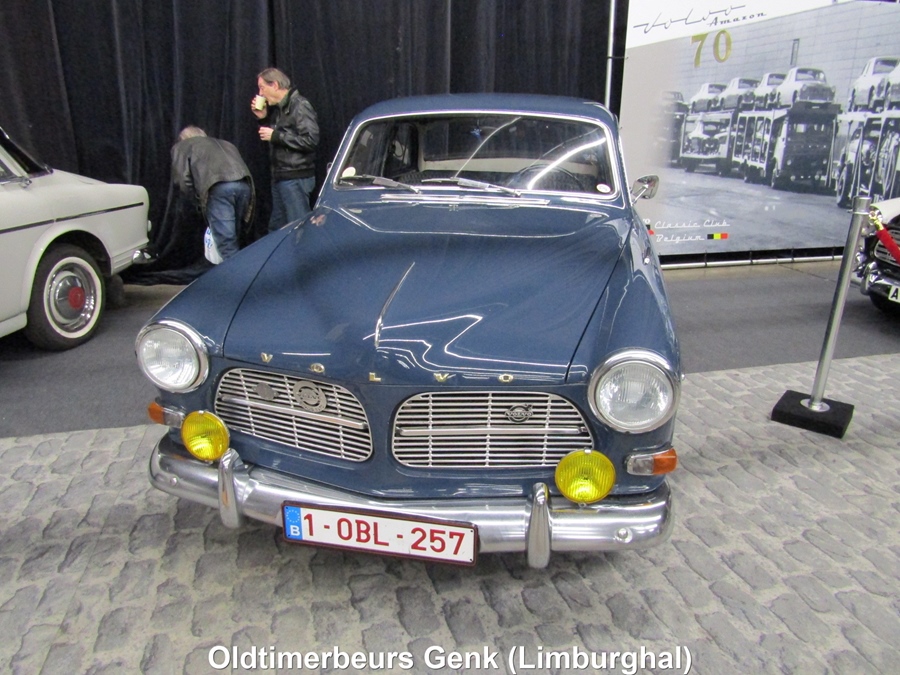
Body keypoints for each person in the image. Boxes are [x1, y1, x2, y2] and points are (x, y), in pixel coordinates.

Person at [251, 67, 319, 231]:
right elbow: (277, 140)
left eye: (262, 88)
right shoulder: (280, 110)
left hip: (295, 177)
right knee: (278, 229)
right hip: (282, 177)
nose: (260, 93)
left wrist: (276, 136)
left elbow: (311, 140)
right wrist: (263, 119)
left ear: (275, 85)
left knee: (299, 228)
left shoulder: (299, 105)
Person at [171, 126, 253, 262]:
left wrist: (197, 200)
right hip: (244, 185)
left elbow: (183, 180)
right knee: (235, 236)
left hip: (218, 187)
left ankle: (235, 274)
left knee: (227, 243)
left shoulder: (183, 146)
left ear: (182, 139)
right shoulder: (226, 143)